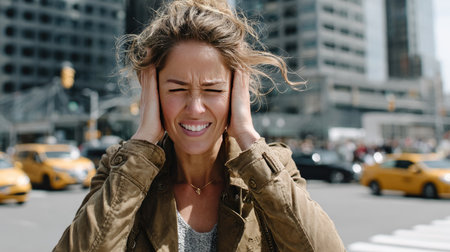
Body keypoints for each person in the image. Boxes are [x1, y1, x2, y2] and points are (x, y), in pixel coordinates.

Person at [54, 0, 345, 251]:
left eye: (213, 90)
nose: (195, 108)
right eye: (177, 89)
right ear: (153, 92)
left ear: (236, 93)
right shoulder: (120, 169)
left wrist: (246, 135)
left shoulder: (274, 168)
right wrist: (142, 142)